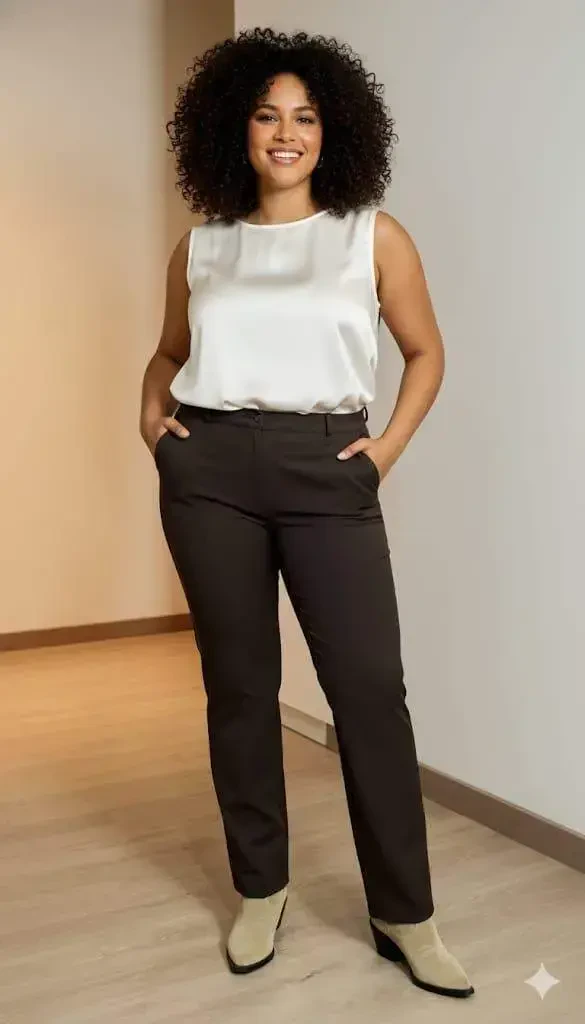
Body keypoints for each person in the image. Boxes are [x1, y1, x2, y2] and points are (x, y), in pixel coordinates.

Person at [139, 27, 474, 998]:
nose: (285, 133)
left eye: (305, 116)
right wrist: (152, 419)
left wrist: (387, 449)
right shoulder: (202, 244)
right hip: (209, 473)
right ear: (235, 128)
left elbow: (425, 351)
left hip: (327, 467)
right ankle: (261, 888)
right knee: (240, 688)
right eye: (266, 115)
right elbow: (169, 351)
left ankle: (405, 913)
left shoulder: (372, 235)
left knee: (368, 691)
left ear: (333, 131)